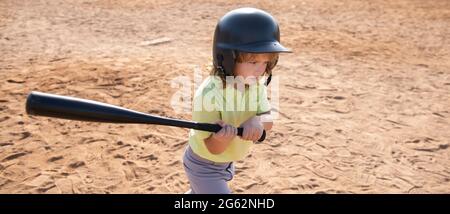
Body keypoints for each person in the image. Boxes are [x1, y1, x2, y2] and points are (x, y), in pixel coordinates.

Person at [183, 7, 291, 194]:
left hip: (226, 162)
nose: (260, 70)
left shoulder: (255, 85)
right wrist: (222, 138)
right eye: (252, 62)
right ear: (227, 60)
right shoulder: (209, 95)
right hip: (204, 166)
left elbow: (268, 119)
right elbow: (212, 148)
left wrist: (256, 121)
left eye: (266, 62)